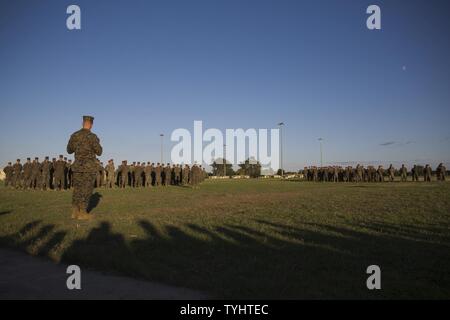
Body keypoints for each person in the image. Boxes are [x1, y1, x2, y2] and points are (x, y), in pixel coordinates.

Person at [67, 115, 103, 220]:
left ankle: (74, 212)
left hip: (77, 166)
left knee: (77, 188)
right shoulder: (93, 137)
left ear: (82, 123)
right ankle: (82, 212)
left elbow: (69, 150)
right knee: (86, 189)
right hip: (88, 168)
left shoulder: (75, 135)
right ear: (91, 125)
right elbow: (99, 152)